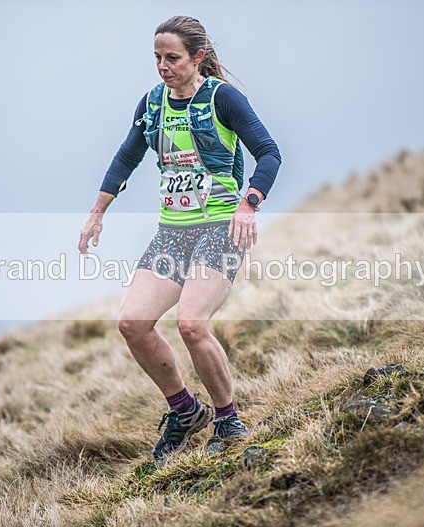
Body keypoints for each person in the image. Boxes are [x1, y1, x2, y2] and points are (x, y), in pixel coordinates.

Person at [78, 15, 281, 466]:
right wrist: (97, 213)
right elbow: (126, 157)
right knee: (132, 323)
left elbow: (269, 152)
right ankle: (186, 411)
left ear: (198, 58)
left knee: (192, 323)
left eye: (172, 58)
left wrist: (249, 202)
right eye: (157, 58)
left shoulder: (223, 99)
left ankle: (228, 420)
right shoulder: (152, 103)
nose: (163, 67)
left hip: (221, 228)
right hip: (173, 233)